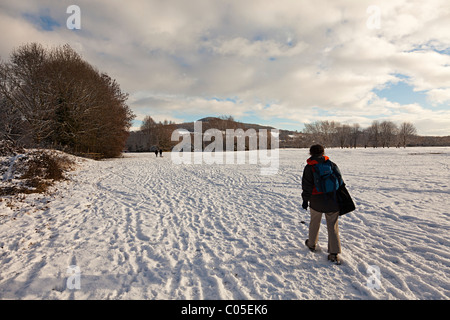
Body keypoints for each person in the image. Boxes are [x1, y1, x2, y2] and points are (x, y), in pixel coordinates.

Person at [301, 144, 343, 264]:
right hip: (332, 199)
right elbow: (340, 181)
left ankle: (312, 244)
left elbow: (306, 186)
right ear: (323, 152)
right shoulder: (331, 164)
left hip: (316, 200)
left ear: (311, 153)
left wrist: (305, 200)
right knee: (333, 226)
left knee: (314, 222)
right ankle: (334, 253)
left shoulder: (309, 167)